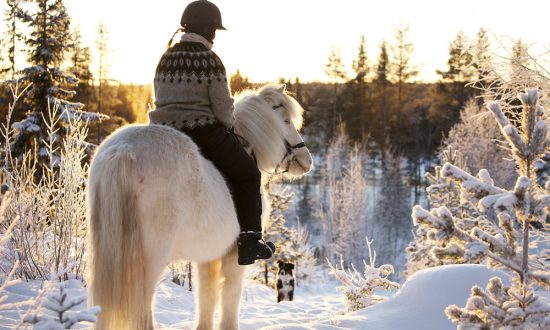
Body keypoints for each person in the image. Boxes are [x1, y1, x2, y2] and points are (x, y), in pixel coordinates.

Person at [148, 0, 275, 265]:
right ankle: (250, 241)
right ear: (206, 29)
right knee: (249, 173)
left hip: (161, 134)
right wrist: (229, 126)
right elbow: (222, 110)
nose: (215, 36)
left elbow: (159, 98)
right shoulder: (210, 60)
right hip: (202, 133)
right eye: (214, 30)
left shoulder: (165, 56)